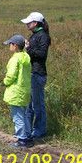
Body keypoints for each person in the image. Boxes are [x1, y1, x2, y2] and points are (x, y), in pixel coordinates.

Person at [21, 11, 51, 141]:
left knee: (37, 105)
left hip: (37, 74)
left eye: (29, 22)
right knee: (29, 105)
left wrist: (28, 49)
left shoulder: (43, 36)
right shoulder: (34, 35)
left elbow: (41, 55)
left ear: (35, 23)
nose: (27, 24)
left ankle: (40, 131)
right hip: (31, 73)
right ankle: (29, 131)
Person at [2, 34, 33, 148]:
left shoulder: (15, 59)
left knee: (17, 117)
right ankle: (28, 137)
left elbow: (11, 75)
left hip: (15, 92)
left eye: (10, 44)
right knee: (24, 115)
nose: (9, 46)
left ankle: (22, 140)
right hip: (24, 91)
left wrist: (5, 81)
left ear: (15, 46)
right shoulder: (26, 57)